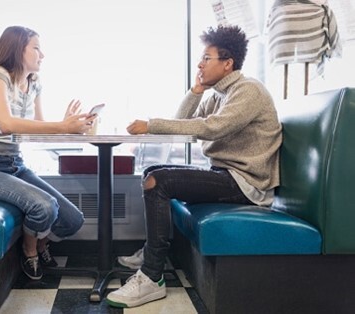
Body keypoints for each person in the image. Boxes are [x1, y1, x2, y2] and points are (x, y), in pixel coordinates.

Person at [106, 25, 282, 308]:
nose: (200, 64)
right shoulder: (215, 94)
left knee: (158, 182)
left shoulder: (248, 90)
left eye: (206, 58)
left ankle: (152, 277)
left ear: (228, 64)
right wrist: (196, 91)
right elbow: (182, 124)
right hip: (225, 174)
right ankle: (153, 252)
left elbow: (212, 128)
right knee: (152, 171)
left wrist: (151, 124)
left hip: (247, 183)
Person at [0, 26, 96, 280]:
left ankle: (42, 242)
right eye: (36, 48)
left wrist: (69, 127)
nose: (42, 54)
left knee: (73, 220)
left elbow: (38, 130)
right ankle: (31, 249)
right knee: (44, 206)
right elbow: (7, 124)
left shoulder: (34, 84)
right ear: (17, 49)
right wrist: (62, 126)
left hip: (14, 164)